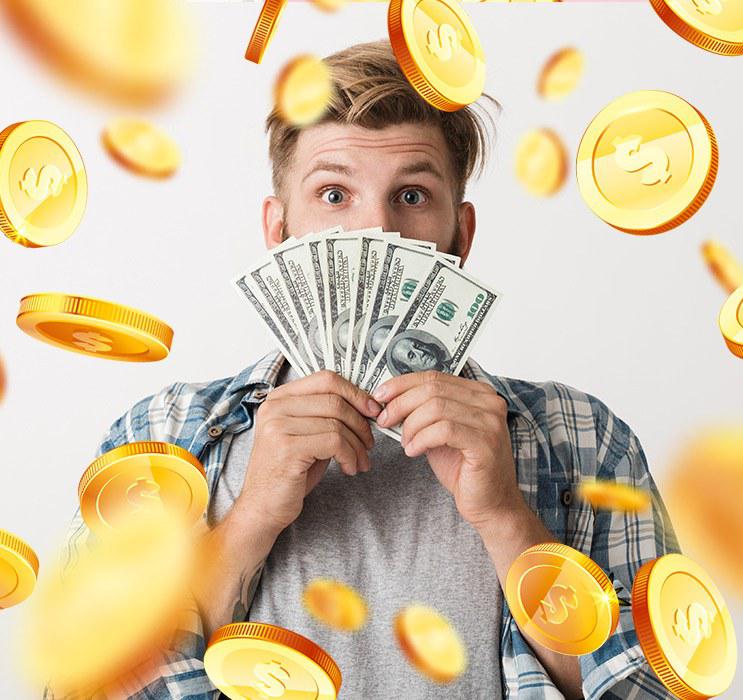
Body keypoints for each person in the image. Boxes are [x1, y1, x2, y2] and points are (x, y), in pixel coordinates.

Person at [46, 39, 680, 700]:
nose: (374, 230)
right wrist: (252, 514)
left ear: (459, 236)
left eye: (410, 194)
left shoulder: (581, 438)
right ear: (279, 230)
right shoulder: (160, 439)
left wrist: (504, 517)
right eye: (333, 193)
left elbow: (652, 689)